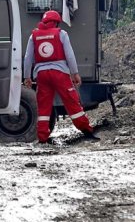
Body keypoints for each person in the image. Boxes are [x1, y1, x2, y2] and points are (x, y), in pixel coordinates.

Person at [23, 10, 97, 143]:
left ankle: (42, 138)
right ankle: (86, 130)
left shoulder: (33, 35)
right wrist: (75, 73)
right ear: (56, 23)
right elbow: (69, 55)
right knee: (72, 102)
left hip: (42, 75)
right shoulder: (61, 34)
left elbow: (28, 58)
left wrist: (27, 76)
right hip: (60, 73)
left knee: (44, 106)